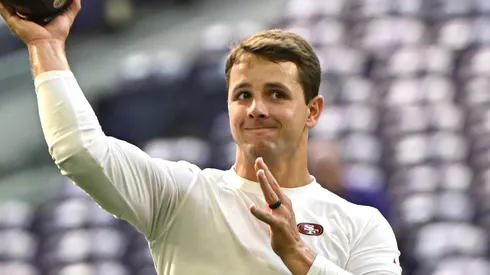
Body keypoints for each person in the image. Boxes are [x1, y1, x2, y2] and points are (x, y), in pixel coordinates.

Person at [0, 1, 402, 274]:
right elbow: (78, 150)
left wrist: (299, 255)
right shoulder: (181, 195)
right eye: (243, 95)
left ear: (312, 110)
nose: (256, 108)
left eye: (276, 94)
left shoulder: (362, 224)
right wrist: (45, 45)